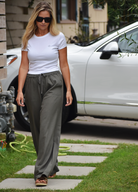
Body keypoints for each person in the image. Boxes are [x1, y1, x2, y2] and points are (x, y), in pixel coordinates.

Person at [16, 1, 73, 187]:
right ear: (35, 18)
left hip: (53, 82)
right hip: (32, 82)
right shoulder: (28, 38)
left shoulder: (58, 37)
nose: (43, 22)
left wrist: (68, 89)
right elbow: (24, 65)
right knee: (38, 128)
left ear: (51, 20)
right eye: (40, 19)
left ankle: (41, 173)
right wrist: (19, 90)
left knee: (49, 126)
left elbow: (63, 64)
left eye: (46, 19)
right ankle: (51, 166)